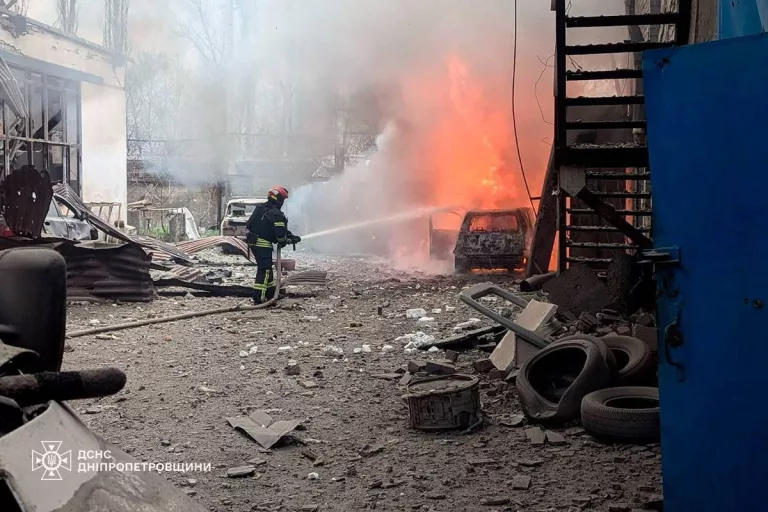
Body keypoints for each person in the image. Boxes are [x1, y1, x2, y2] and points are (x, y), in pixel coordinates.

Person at [245, 186, 301, 304]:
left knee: (267, 268)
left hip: (254, 242)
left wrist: (290, 236)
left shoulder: (261, 208)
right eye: (283, 200)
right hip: (262, 244)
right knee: (264, 269)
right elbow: (280, 235)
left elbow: (272, 227)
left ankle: (270, 293)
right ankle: (259, 298)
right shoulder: (275, 213)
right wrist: (286, 240)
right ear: (279, 200)